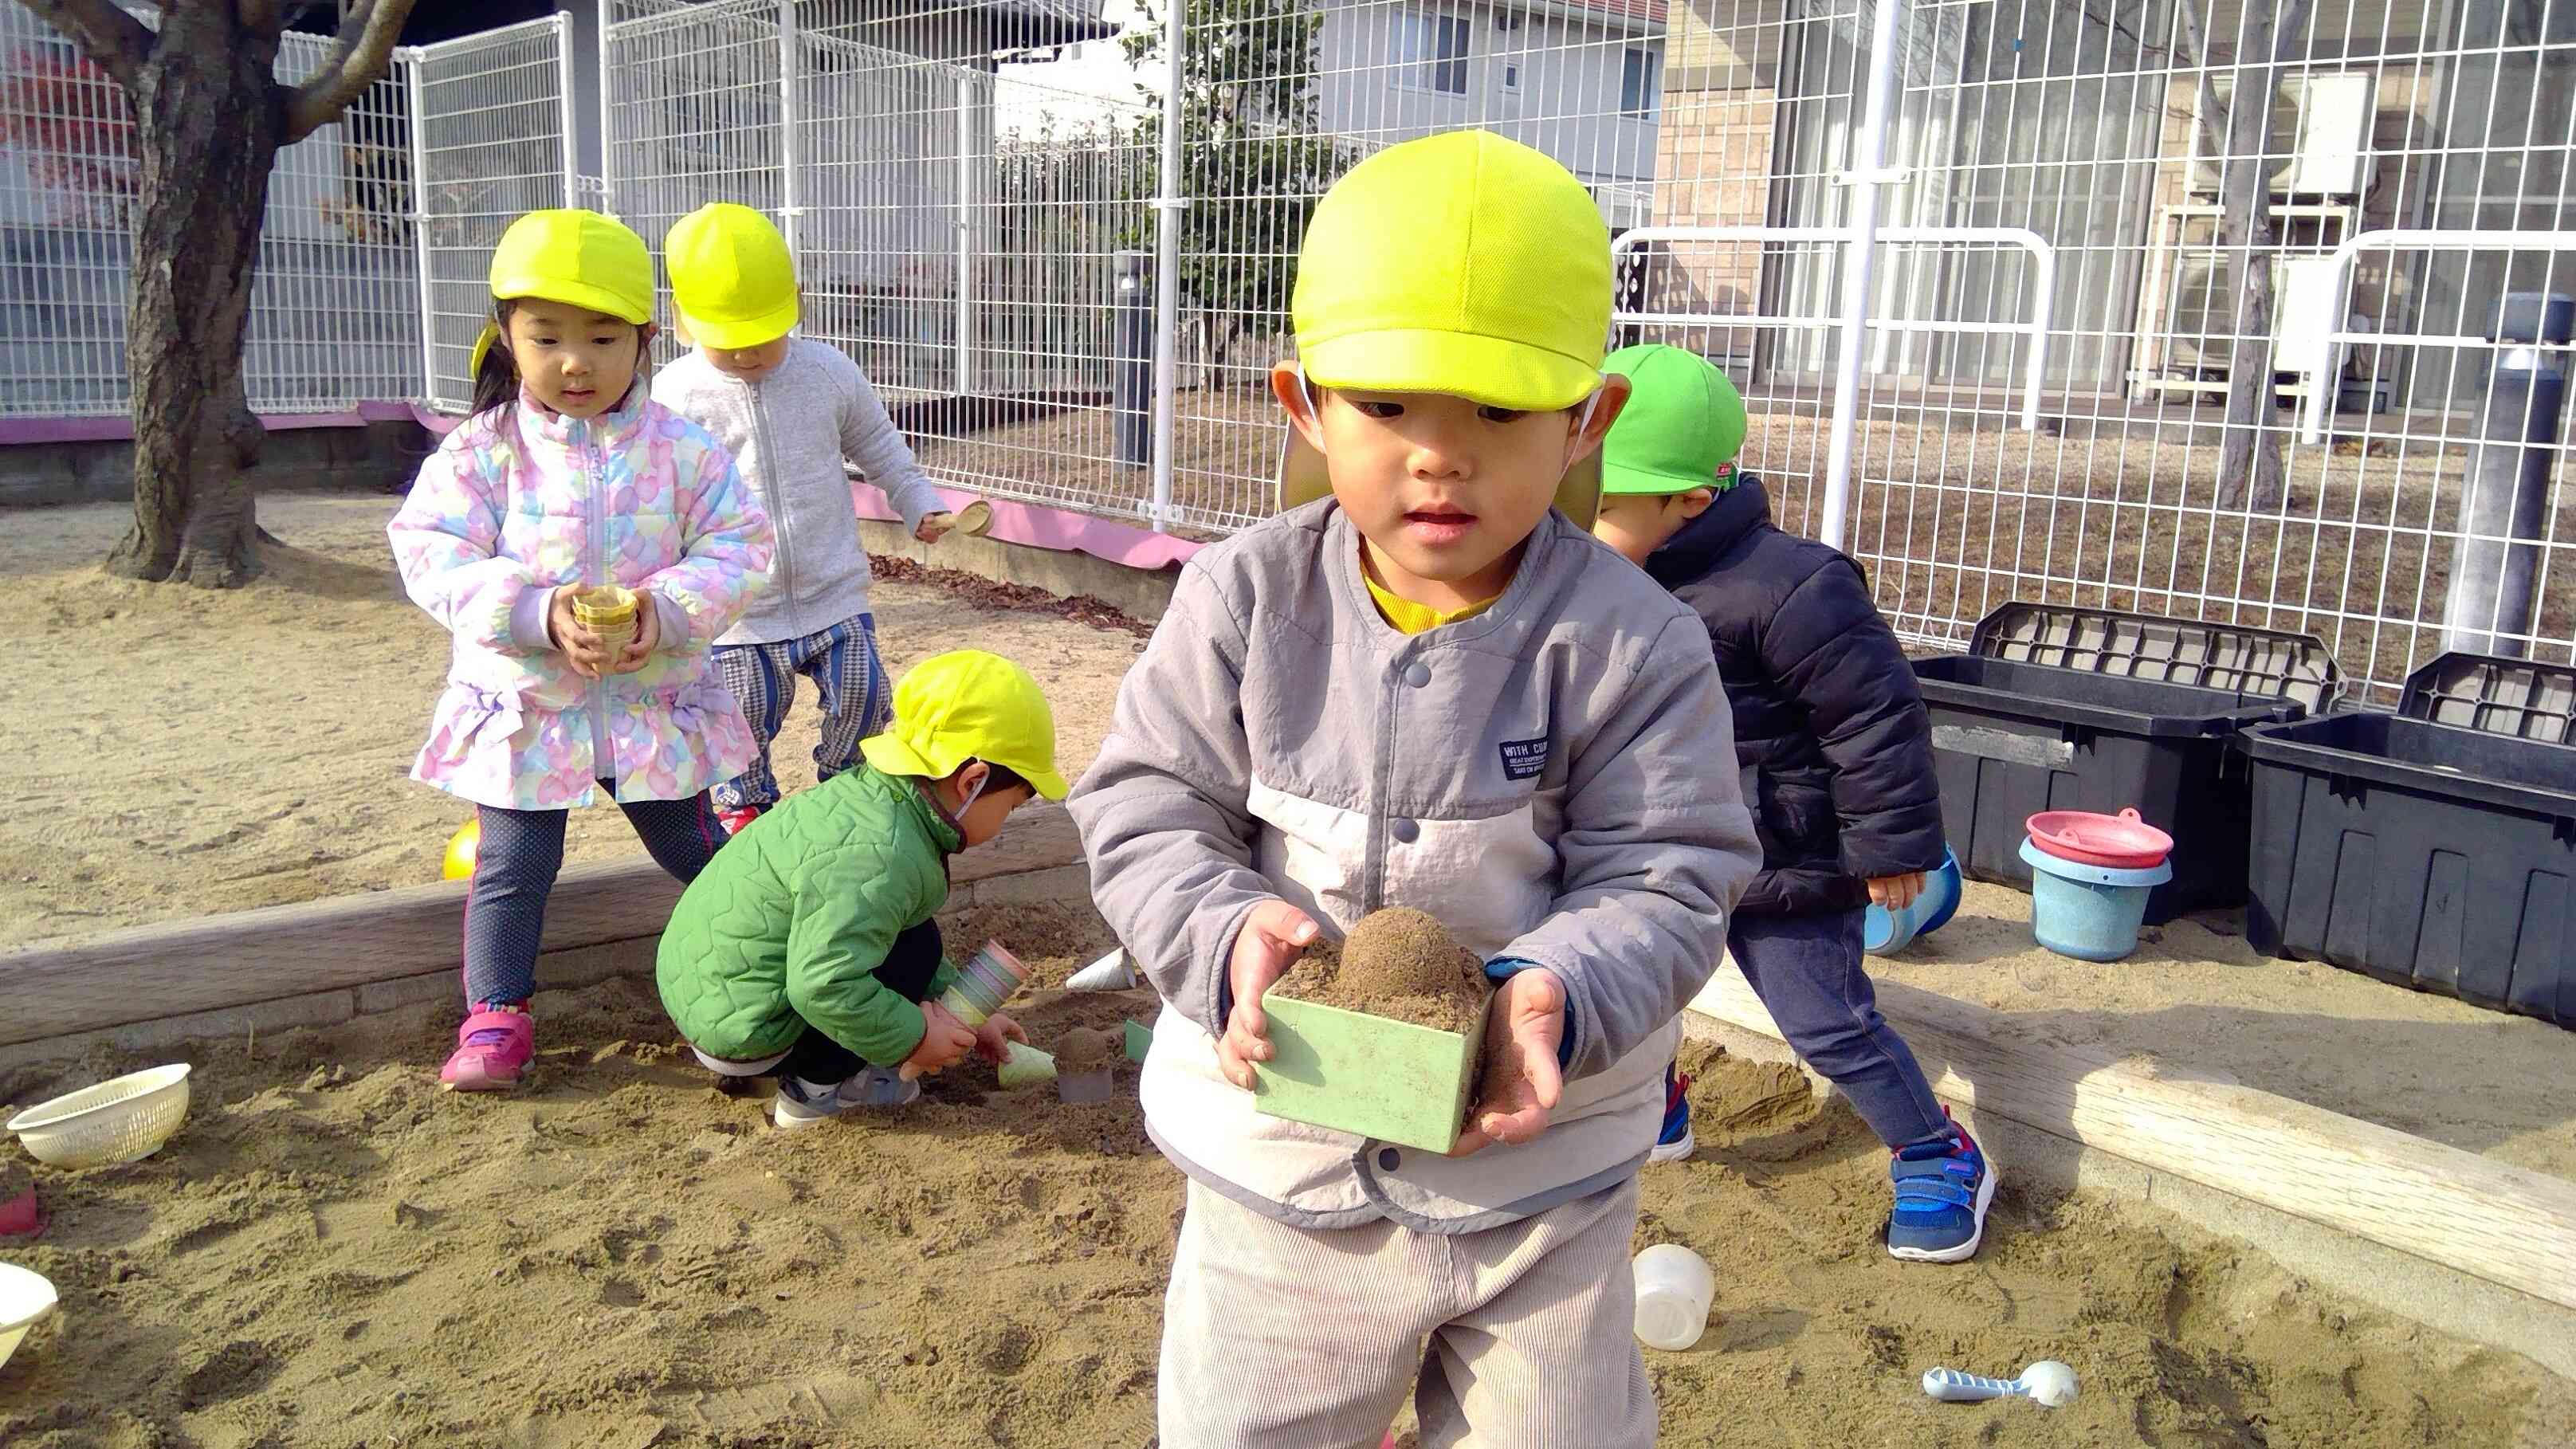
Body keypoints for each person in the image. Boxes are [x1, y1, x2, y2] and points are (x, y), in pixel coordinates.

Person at [1067, 131, 1762, 1447]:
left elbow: (1672, 863)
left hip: (1540, 1179)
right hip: (1281, 1161)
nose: (1437, 456)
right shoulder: (1245, 598)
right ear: (1304, 402)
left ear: (1586, 418)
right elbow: (1145, 800)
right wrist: (1227, 938)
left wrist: (1557, 985)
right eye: (1388, 406)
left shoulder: (1629, 638)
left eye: (1496, 411)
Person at [1588, 342, 1995, 1262]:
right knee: (1631, 990)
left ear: (1690, 500)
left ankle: (1936, 1151)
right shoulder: (1597, 581)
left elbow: (1877, 719)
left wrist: (1891, 848)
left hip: (1785, 857)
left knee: (1826, 1021)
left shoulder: (1792, 586)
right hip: (1657, 849)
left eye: (1607, 507)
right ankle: (1655, 1108)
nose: (1581, 525)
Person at [389, 208, 773, 1093]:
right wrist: (529, 609)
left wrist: (661, 614)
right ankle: (496, 1013)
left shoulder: (683, 448)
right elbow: (429, 549)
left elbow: (738, 545)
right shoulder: (484, 451)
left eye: (603, 338)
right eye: (547, 337)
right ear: (506, 338)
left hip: (648, 702)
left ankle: (771, 963)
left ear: (644, 339)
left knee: (699, 848)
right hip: (533, 708)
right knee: (514, 863)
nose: (576, 362)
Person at [657, 650, 1069, 1129]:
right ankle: (816, 1092)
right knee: (898, 955)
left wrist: (965, 1019)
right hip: (746, 1029)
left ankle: (826, 1064)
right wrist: (916, 1038)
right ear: (971, 782)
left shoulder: (875, 798)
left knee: (911, 939)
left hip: (714, 990)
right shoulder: (884, 853)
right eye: (1011, 807)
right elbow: (824, 984)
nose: (1004, 822)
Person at [654, 202, 960, 836]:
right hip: (740, 609)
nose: (744, 356)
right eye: (727, 343)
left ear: (796, 301)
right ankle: (746, 810)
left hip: (833, 592)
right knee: (740, 715)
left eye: (761, 338)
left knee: (868, 695)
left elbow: (879, 444)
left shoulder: (827, 372)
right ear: (683, 320)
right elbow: (655, 493)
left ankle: (844, 788)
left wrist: (918, 502)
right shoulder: (674, 396)